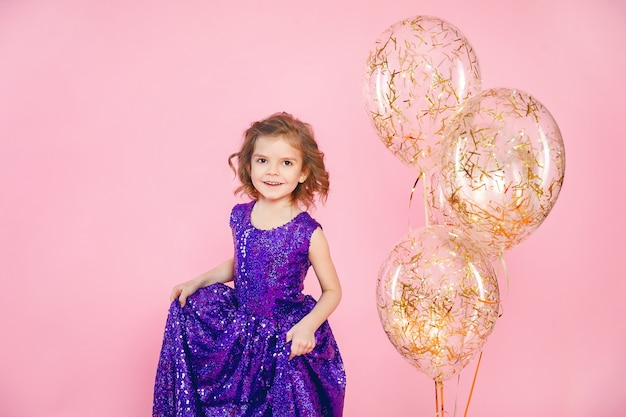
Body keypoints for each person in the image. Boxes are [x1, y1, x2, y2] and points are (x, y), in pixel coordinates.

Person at [152, 112, 346, 417]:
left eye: (286, 163)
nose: (272, 171)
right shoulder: (241, 216)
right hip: (241, 333)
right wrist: (197, 282)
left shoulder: (308, 232)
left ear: (304, 172)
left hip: (283, 336)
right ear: (249, 165)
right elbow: (242, 261)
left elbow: (332, 290)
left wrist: (308, 326)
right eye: (262, 160)